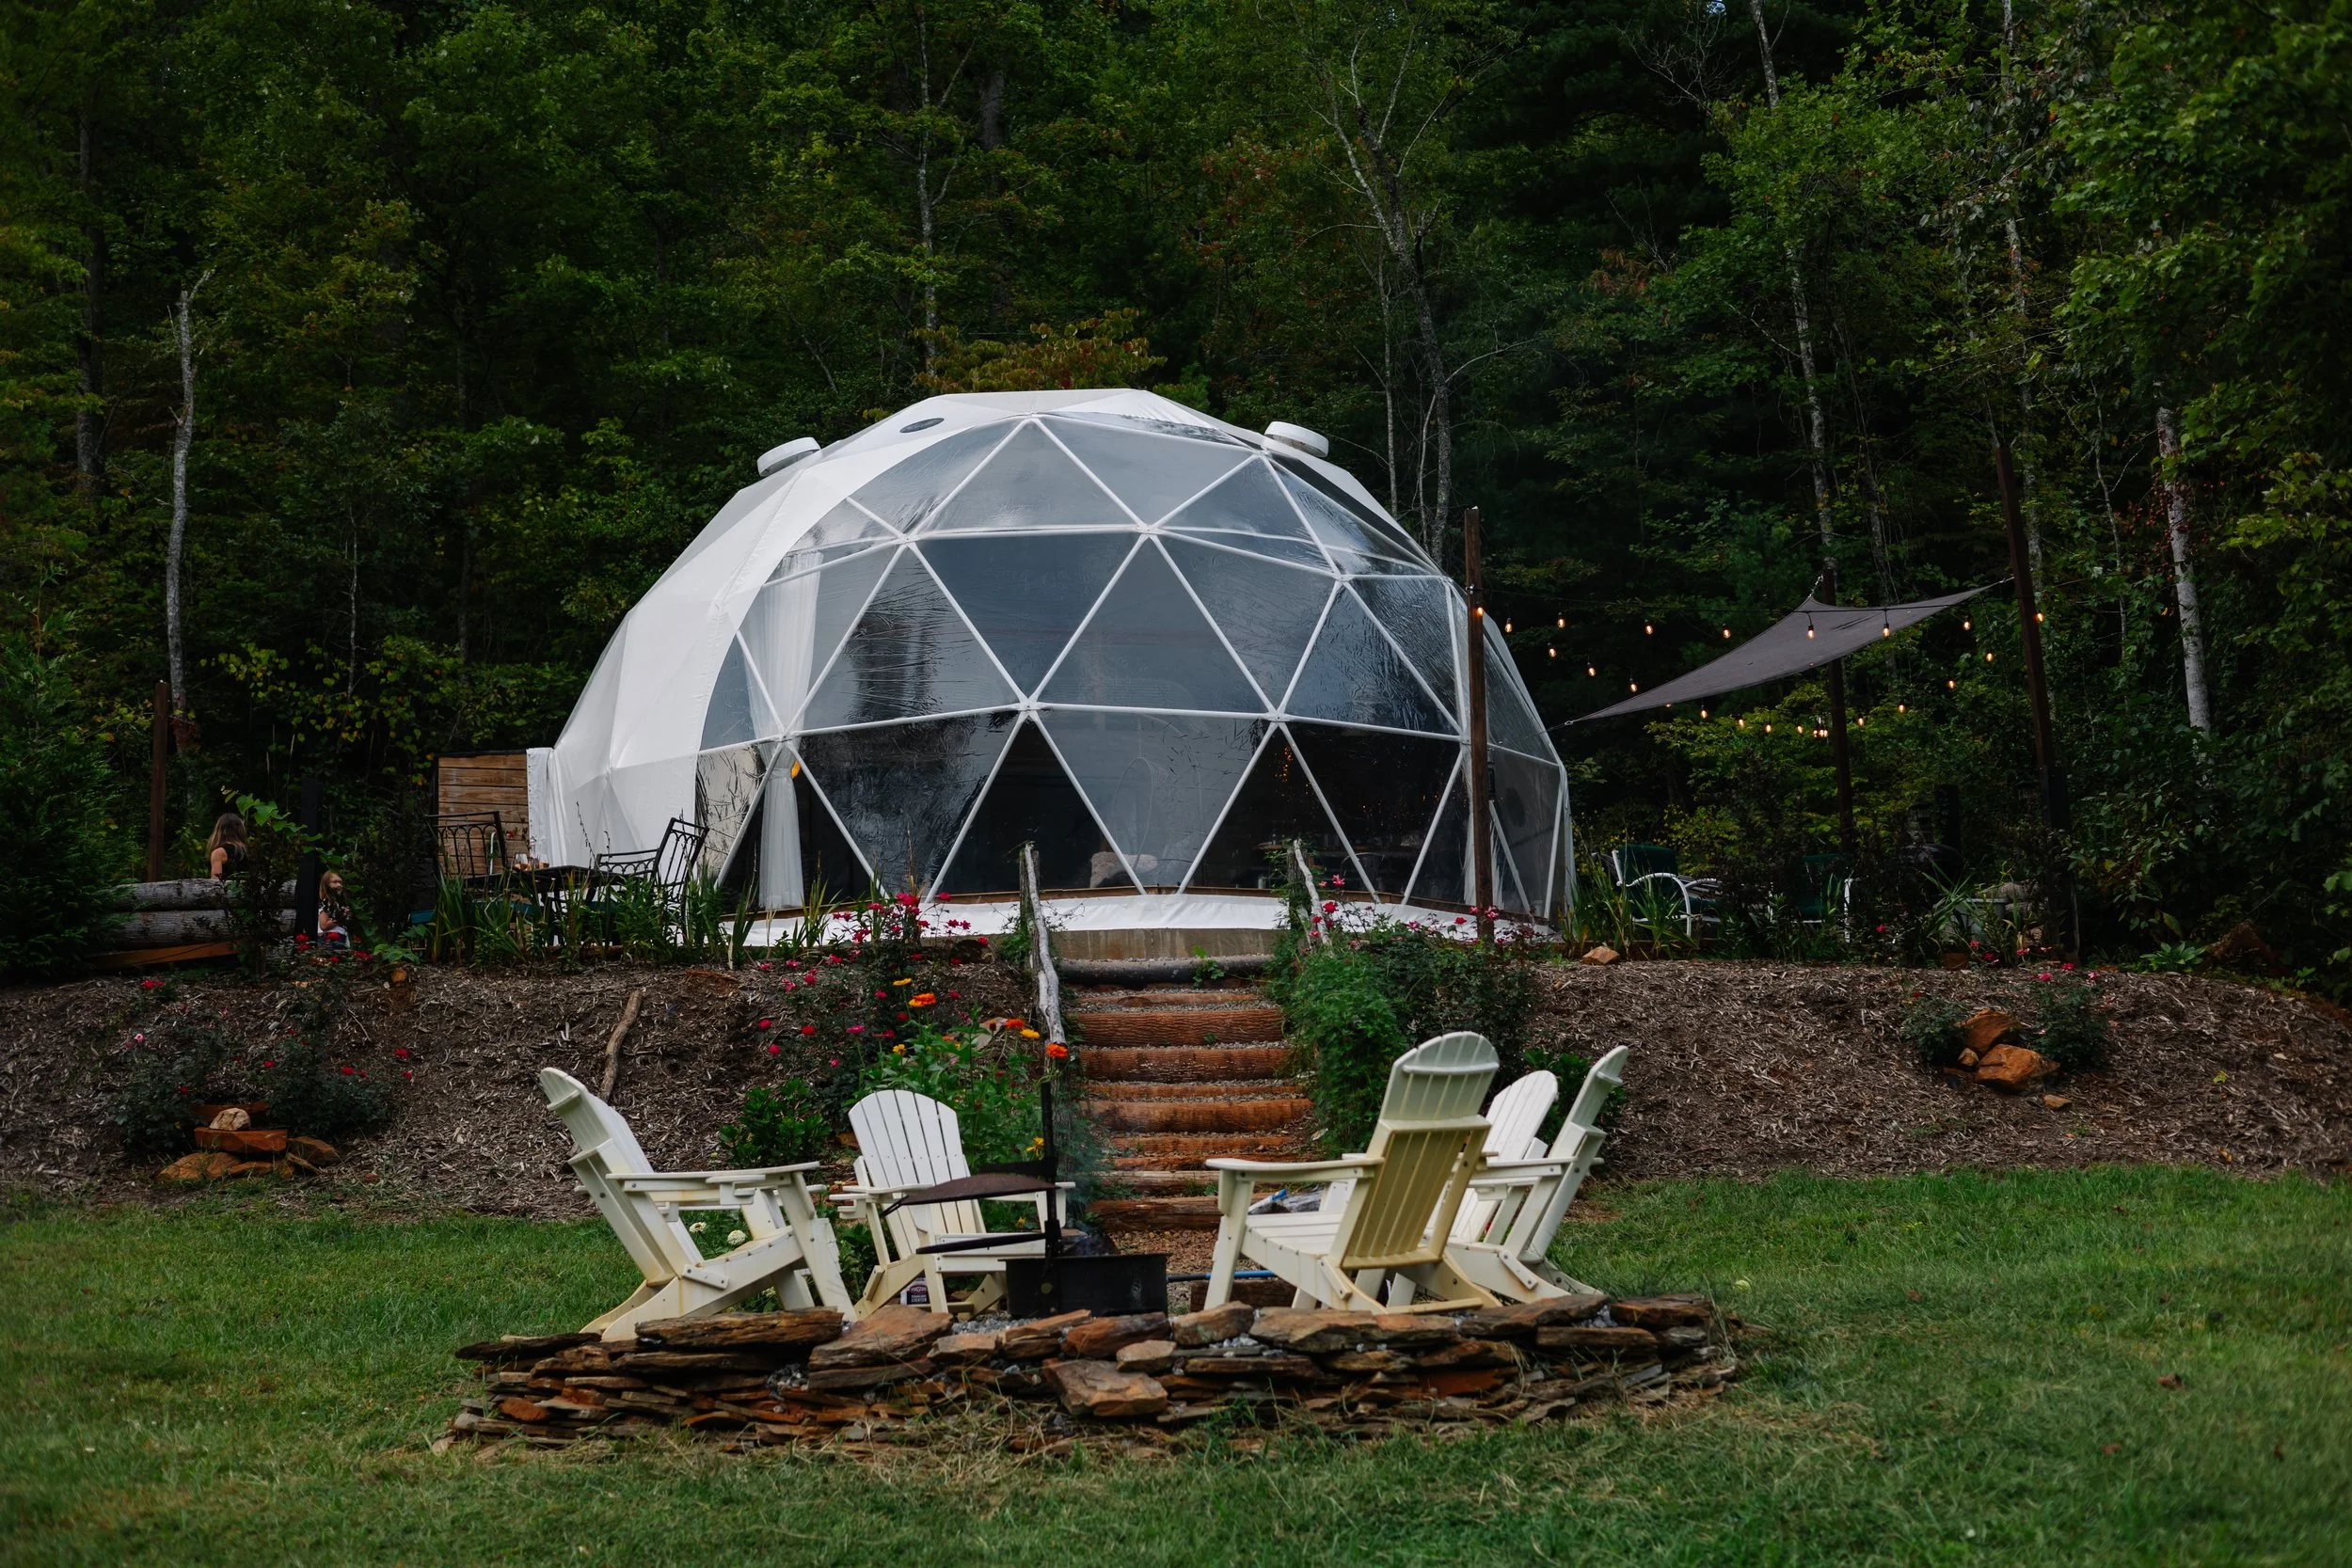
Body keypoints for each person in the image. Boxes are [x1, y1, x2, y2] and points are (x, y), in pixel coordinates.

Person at [206, 814, 248, 880]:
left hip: (230, 889)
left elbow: (216, 883)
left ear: (219, 830)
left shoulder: (219, 853)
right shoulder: (250, 850)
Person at [317, 870, 353, 947]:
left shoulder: (338, 902)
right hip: (329, 939)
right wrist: (342, 916)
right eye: (335, 882)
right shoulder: (326, 901)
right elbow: (324, 925)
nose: (339, 885)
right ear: (327, 884)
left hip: (340, 937)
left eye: (340, 882)